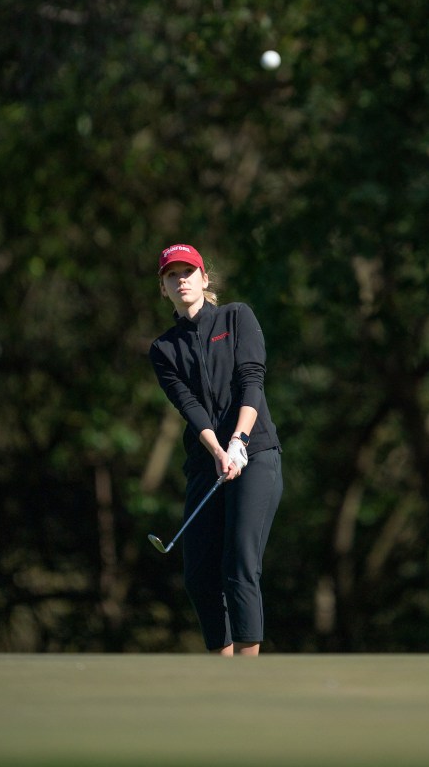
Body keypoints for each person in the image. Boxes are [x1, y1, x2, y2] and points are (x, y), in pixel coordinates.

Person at [149, 243, 283, 655]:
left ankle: (248, 676)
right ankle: (224, 673)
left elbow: (251, 381)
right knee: (199, 575)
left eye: (189, 272)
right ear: (164, 288)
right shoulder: (164, 348)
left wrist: (239, 442)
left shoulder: (236, 316)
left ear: (205, 280)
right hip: (208, 461)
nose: (182, 279)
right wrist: (218, 451)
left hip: (255, 453)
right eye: (173, 275)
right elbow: (188, 406)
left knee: (239, 564)